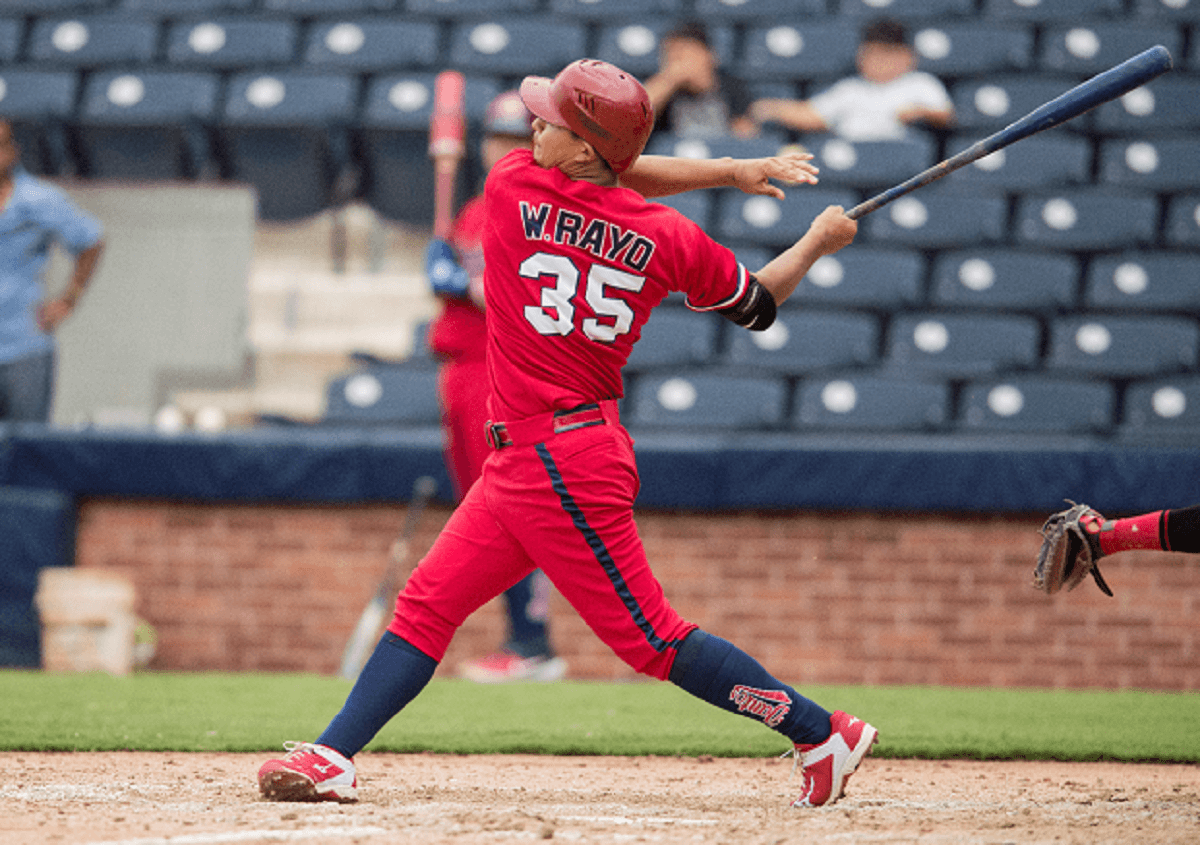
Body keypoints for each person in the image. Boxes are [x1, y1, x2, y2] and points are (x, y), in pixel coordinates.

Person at [258, 59, 870, 810]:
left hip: (562, 462)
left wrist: (725, 170)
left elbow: (618, 175)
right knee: (427, 603)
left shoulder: (514, 185)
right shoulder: (669, 236)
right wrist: (815, 240)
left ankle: (821, 732)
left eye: (551, 119)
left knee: (652, 640)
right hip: (531, 455)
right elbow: (756, 304)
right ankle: (332, 754)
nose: (533, 125)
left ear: (583, 149)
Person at [425, 90, 567, 684]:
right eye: (497, 138)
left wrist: (458, 277)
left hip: (499, 374)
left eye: (517, 138)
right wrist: (446, 271)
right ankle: (523, 642)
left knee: (509, 512)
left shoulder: (536, 206)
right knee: (479, 508)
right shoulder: (476, 208)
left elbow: (510, 292)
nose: (504, 149)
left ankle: (532, 645)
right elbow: (458, 289)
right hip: (462, 368)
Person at [0, 119, 104, 422]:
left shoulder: (39, 199)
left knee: (26, 448)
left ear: (14, 150)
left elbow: (91, 241)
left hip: (24, 348)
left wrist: (69, 298)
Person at [749, 17, 954, 142]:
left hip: (900, 167)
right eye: (872, 55)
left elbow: (945, 115)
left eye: (887, 54)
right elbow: (812, 115)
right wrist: (771, 108)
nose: (878, 63)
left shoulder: (919, 84)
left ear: (908, 57)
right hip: (852, 155)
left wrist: (919, 112)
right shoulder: (851, 89)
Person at [643, 20, 757, 139]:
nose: (678, 62)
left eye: (685, 54)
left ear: (709, 55)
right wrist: (668, 80)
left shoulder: (732, 86)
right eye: (671, 56)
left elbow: (746, 132)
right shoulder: (666, 91)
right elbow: (639, 114)